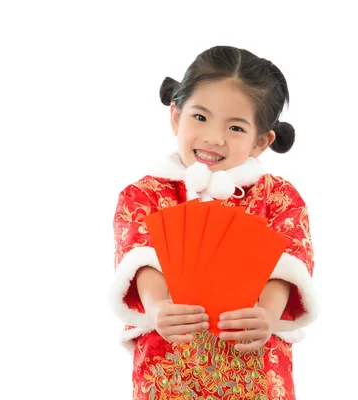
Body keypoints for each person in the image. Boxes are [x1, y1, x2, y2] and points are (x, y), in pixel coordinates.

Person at [108, 45, 319, 399]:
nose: (213, 138)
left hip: (255, 365)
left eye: (236, 127)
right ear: (176, 115)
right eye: (200, 117)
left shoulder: (279, 198)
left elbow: (290, 264)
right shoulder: (144, 194)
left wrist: (267, 314)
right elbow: (139, 257)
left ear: (262, 141)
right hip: (168, 363)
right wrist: (158, 306)